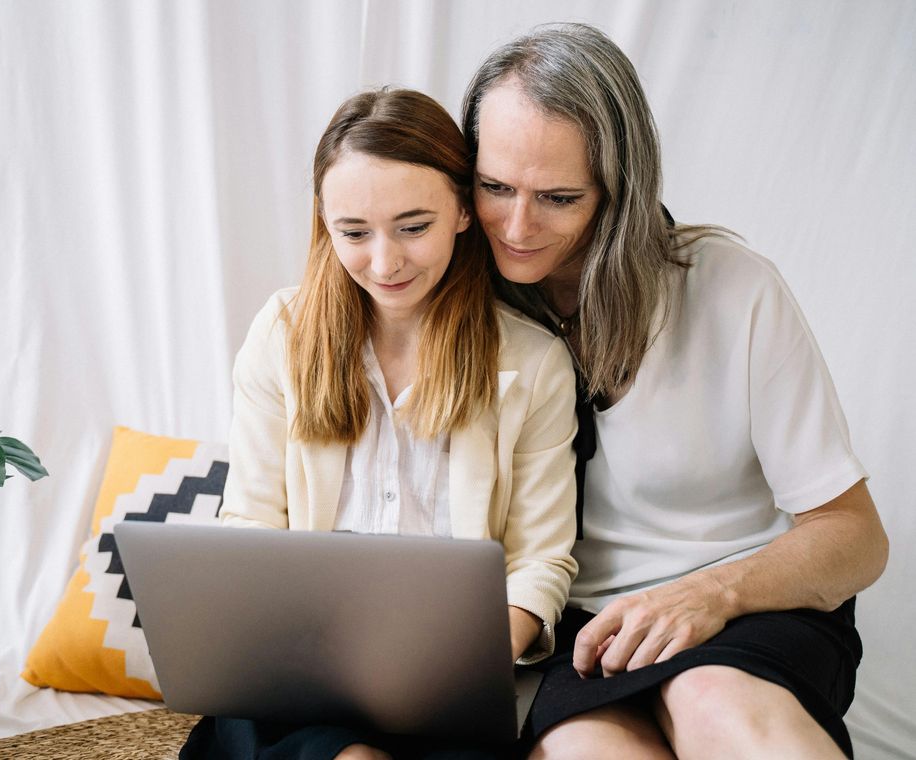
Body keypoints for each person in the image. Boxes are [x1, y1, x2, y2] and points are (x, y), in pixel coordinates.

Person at [461, 22, 889, 760]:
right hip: (574, 628)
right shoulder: (456, 308)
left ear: (620, 192)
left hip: (747, 607)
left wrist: (712, 594)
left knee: (711, 698)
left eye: (559, 197)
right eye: (495, 186)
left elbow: (856, 538)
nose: (517, 226)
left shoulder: (731, 288)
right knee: (590, 750)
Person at [179, 88, 579, 760]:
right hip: (299, 684)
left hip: (451, 687)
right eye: (354, 233)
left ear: (461, 209)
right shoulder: (281, 335)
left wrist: (465, 661)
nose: (385, 262)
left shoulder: (533, 362)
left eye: (413, 226)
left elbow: (541, 560)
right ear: (323, 222)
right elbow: (249, 522)